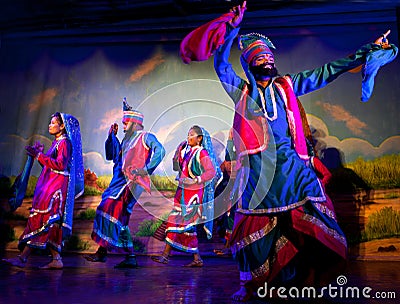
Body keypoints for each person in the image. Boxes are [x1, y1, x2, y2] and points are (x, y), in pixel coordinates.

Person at [181, 1, 398, 301]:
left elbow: (326, 72)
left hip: (292, 167)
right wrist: (233, 30)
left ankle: (304, 278)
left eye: (270, 56)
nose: (267, 60)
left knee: (311, 217)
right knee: (259, 235)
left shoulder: (287, 86)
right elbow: (220, 66)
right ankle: (259, 286)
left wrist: (366, 51)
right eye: (260, 57)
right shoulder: (241, 91)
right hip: (259, 171)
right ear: (250, 63)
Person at [84, 99, 165, 268]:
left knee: (107, 209)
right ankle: (128, 257)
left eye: (126, 122)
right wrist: (112, 137)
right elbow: (112, 156)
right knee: (118, 218)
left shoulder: (145, 137)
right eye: (123, 122)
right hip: (118, 182)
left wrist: (145, 169)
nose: (123, 125)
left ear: (135, 123)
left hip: (129, 184)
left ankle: (105, 252)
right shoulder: (126, 141)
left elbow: (160, 150)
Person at [2, 112, 84, 269]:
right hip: (50, 185)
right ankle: (49, 258)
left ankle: (34, 258)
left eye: (53, 123)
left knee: (49, 220)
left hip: (56, 187)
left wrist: (39, 155)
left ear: (62, 126)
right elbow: (51, 166)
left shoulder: (65, 142)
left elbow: (60, 165)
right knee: (46, 221)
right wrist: (37, 156)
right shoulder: (57, 143)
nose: (50, 125)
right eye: (50, 122)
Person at [151, 125, 221, 267]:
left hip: (193, 196)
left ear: (199, 138)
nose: (188, 137)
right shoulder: (189, 152)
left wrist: (195, 180)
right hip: (183, 194)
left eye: (191, 135)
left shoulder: (201, 153)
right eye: (188, 135)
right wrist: (179, 153)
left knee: (176, 223)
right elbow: (178, 168)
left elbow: (211, 172)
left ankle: (166, 255)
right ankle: (196, 258)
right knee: (187, 228)